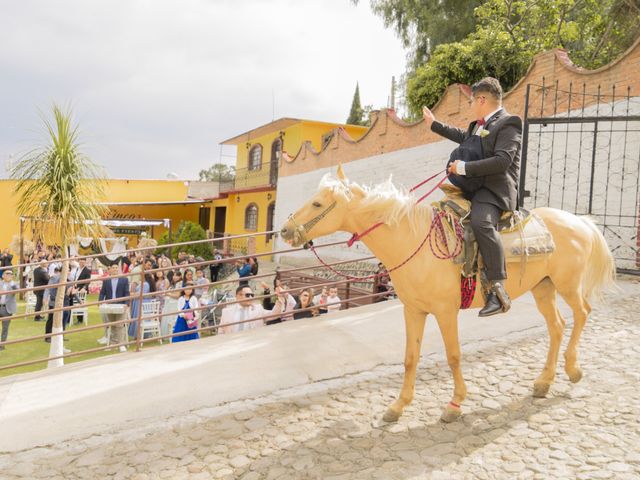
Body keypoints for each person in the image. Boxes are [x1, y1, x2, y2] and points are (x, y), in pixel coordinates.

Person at [423, 77, 521, 317]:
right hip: (475, 186)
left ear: (482, 99)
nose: (470, 106)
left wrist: (463, 168)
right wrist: (434, 125)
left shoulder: (509, 123)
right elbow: (462, 136)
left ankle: (498, 290)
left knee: (481, 222)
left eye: (471, 101)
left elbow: (502, 161)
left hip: (494, 190)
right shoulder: (478, 125)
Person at [219, 285, 292, 334]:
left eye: (252, 295)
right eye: (247, 295)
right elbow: (221, 332)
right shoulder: (226, 312)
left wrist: (280, 299)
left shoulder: (258, 309)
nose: (251, 297)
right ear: (238, 296)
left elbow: (274, 314)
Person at [98, 264, 130, 352]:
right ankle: (113, 343)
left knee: (119, 324)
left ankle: (121, 344)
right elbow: (102, 292)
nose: (115, 269)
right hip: (110, 305)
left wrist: (126, 304)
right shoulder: (106, 280)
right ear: (110, 269)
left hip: (121, 305)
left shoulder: (124, 280)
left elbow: (127, 293)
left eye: (117, 268)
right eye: (113, 268)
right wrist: (100, 302)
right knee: (112, 324)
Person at [45, 267, 72, 352]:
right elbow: (49, 288)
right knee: (51, 319)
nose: (68, 272)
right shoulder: (55, 277)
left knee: (62, 320)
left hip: (65, 303)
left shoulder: (69, 280)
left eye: (69, 271)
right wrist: (47, 298)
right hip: (54, 302)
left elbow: (70, 291)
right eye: (66, 270)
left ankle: (61, 336)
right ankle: (48, 336)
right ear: (61, 271)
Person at [128, 273, 156, 339]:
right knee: (137, 317)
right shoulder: (144, 283)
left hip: (141, 302)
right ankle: (138, 335)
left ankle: (140, 334)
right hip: (140, 302)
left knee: (139, 317)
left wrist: (132, 294)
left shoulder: (145, 284)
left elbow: (140, 294)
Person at [0, 270, 18, 350]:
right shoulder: (0, 283)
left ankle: (2, 345)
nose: (9, 275)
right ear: (3, 275)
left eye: (11, 274)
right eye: (7, 274)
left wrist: (11, 283)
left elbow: (17, 290)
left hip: (7, 309)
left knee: (5, 328)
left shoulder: (14, 284)